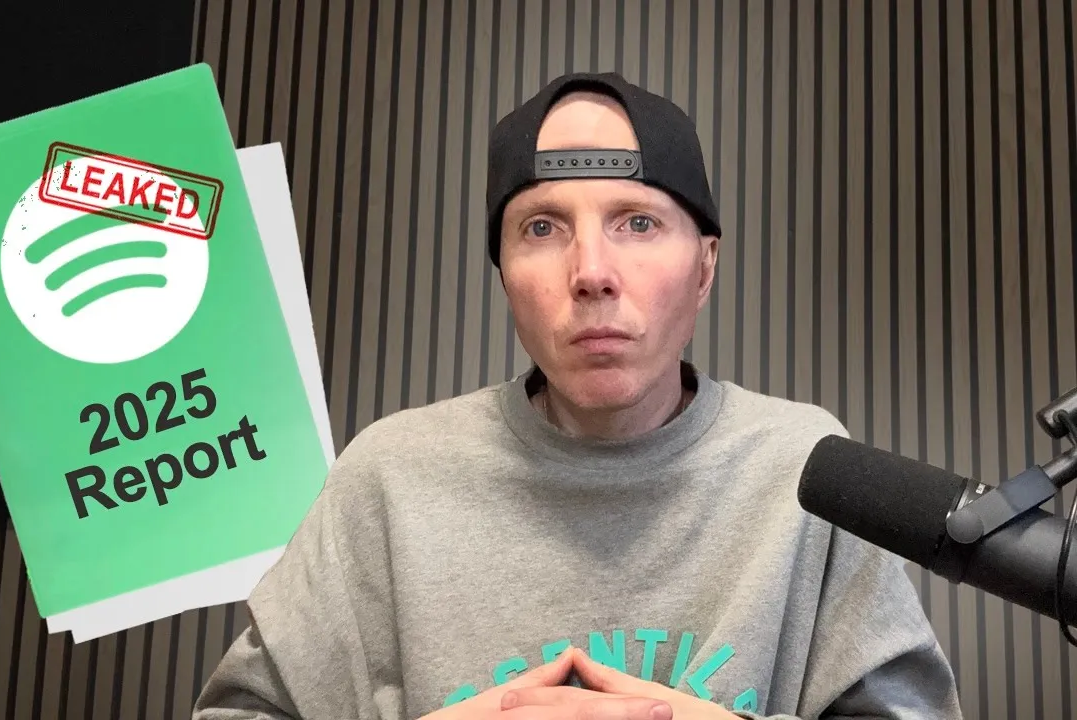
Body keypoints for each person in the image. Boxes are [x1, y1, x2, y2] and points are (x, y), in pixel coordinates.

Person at [192, 71, 963, 720]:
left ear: (704, 268)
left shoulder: (807, 471)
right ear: (503, 276)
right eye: (542, 228)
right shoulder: (390, 476)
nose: (591, 271)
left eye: (638, 222)